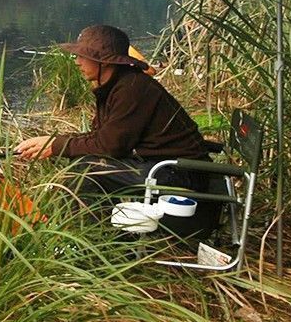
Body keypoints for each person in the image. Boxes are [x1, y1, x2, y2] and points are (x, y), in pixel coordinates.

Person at [14, 24, 212, 201]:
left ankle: (90, 237)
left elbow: (109, 147)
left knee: (89, 170)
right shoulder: (117, 86)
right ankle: (106, 231)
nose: (77, 62)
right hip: (163, 167)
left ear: (105, 62)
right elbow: (102, 138)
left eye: (83, 56)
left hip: (183, 175)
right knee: (85, 162)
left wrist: (55, 145)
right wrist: (52, 142)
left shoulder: (132, 89)